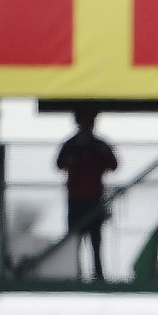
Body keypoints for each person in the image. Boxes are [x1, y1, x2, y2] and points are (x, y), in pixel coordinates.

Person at [55, 111, 118, 282]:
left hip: (94, 198)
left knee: (95, 239)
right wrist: (75, 159)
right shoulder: (71, 145)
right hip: (76, 198)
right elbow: (60, 164)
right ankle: (74, 272)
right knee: (74, 239)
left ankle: (98, 273)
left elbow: (113, 165)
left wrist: (100, 153)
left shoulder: (99, 145)